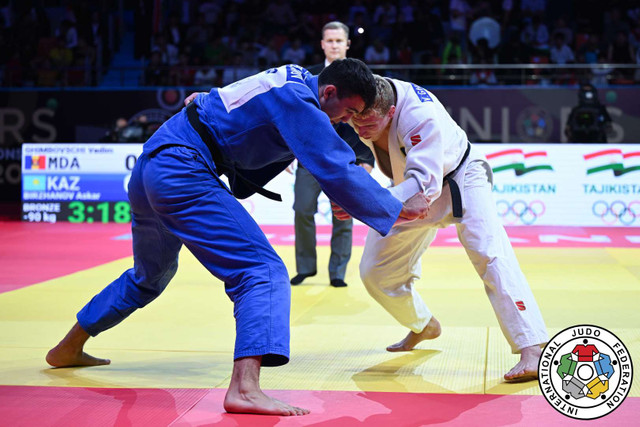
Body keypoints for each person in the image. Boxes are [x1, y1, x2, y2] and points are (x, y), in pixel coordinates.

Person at [45, 59, 429, 416]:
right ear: (328, 92)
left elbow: (249, 118)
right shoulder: (300, 100)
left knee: (148, 277)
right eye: (346, 111)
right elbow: (333, 163)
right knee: (262, 270)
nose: (346, 120)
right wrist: (393, 207)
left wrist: (354, 195)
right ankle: (245, 388)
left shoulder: (289, 76)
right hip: (183, 168)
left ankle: (68, 347)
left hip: (153, 164)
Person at [336, 75, 549, 382]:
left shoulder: (419, 116)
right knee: (374, 272)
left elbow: (423, 190)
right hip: (406, 188)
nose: (360, 128)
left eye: (369, 123)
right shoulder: (364, 96)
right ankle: (423, 324)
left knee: (489, 253)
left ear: (392, 112)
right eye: (356, 120)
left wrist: (361, 201)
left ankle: (532, 346)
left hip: (461, 178)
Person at [290, 21, 375, 288]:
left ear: (348, 44)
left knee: (344, 215)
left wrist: (367, 159)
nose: (335, 45)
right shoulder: (309, 77)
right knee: (302, 210)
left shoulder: (362, 78)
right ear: (322, 44)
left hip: (346, 159)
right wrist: (286, 150)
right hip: (310, 158)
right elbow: (294, 117)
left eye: (339, 41)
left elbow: (370, 121)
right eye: (330, 41)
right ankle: (305, 267)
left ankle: (337, 272)